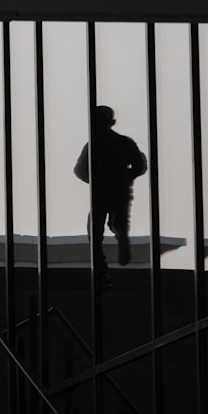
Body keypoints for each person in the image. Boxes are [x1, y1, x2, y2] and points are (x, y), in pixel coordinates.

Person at [74, 105, 147, 287]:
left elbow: (79, 170)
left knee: (95, 233)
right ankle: (120, 232)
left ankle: (102, 271)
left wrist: (95, 181)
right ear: (112, 122)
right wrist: (126, 177)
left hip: (100, 192)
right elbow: (140, 164)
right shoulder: (124, 142)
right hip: (120, 191)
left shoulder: (92, 145)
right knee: (119, 221)